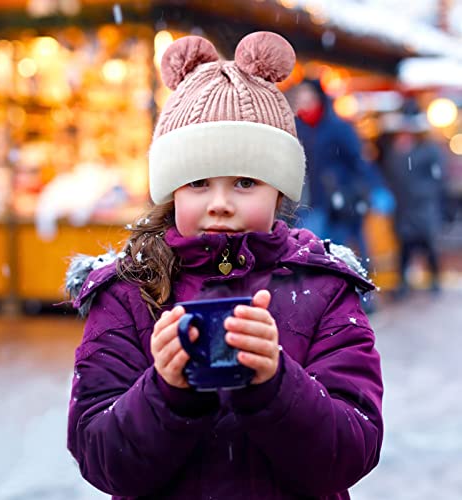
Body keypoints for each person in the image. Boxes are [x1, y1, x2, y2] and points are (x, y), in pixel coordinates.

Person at [66, 32, 383, 500]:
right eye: (197, 182)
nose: (220, 204)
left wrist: (276, 384)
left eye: (244, 181)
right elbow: (100, 456)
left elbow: (352, 449)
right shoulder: (128, 292)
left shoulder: (324, 289)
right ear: (172, 190)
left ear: (278, 188)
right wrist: (167, 390)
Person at [290, 79, 375, 261]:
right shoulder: (296, 127)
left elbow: (357, 161)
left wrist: (364, 189)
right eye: (300, 96)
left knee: (339, 249)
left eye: (307, 95)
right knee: (312, 250)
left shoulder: (338, 127)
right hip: (308, 201)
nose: (303, 100)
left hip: (340, 199)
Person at [380, 109, 447, 295]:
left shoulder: (429, 149)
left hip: (423, 204)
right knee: (404, 244)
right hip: (404, 205)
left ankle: (434, 279)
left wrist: (424, 194)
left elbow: (438, 178)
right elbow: (392, 174)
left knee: (427, 242)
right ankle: (403, 282)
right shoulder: (396, 150)